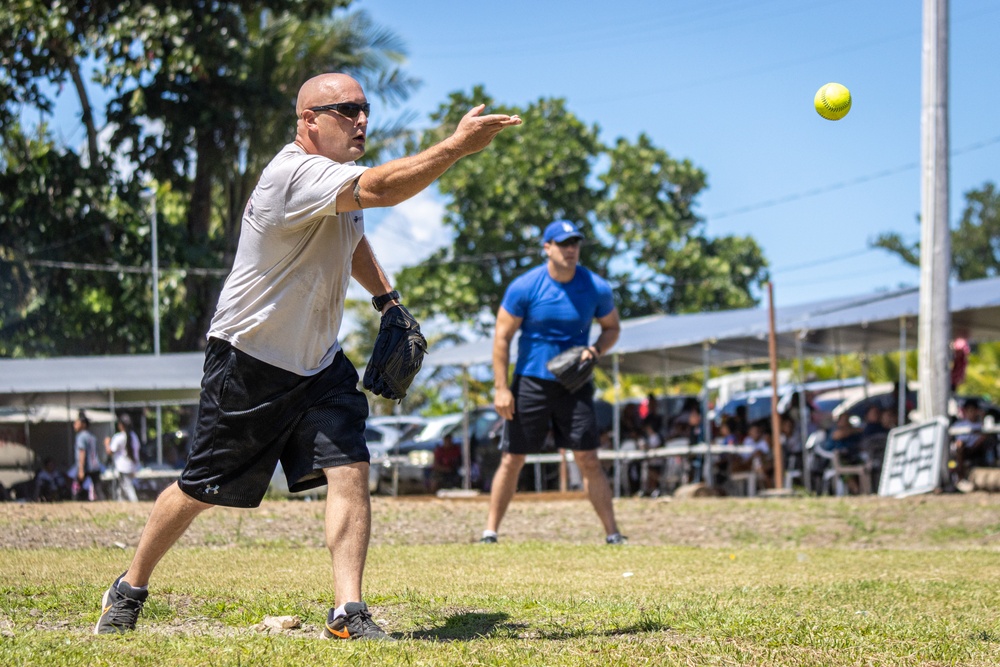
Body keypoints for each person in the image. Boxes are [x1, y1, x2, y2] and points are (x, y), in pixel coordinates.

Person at [94, 72, 520, 638]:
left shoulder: (337, 182)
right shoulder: (292, 174)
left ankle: (348, 612)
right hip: (249, 359)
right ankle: (129, 586)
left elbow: (353, 238)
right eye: (346, 110)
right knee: (201, 489)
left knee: (350, 468)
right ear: (309, 122)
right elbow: (387, 189)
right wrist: (456, 147)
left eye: (364, 109)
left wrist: (387, 300)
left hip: (319, 362)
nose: (361, 119)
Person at [481, 220, 623, 546]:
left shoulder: (596, 287)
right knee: (513, 457)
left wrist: (596, 348)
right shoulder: (525, 287)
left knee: (587, 458)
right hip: (531, 380)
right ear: (547, 248)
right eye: (563, 243)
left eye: (575, 243)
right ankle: (490, 532)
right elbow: (502, 338)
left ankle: (613, 533)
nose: (570, 249)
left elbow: (612, 327)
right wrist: (501, 388)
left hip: (575, 383)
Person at [105, 414, 141, 502]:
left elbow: (110, 452)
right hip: (133, 466)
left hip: (123, 467)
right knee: (122, 487)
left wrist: (106, 443)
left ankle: (135, 502)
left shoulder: (119, 437)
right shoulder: (134, 436)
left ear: (121, 425)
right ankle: (120, 502)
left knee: (127, 487)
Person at [74, 412, 102, 501]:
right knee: (98, 489)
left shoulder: (81, 437)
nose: (74, 425)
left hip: (87, 466)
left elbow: (82, 452)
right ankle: (103, 502)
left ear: (83, 425)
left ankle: (77, 502)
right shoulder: (92, 436)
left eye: (76, 423)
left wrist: (81, 469)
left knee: (77, 488)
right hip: (95, 465)